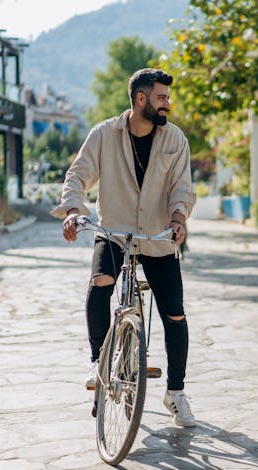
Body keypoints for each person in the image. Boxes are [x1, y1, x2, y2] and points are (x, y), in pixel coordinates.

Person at [51, 68, 197, 427]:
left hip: (158, 236)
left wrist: (178, 219)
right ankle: (97, 361)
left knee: (174, 313)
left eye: (167, 98)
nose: (167, 104)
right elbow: (78, 174)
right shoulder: (104, 134)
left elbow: (182, 186)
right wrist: (73, 212)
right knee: (101, 282)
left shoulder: (174, 139)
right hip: (114, 232)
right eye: (161, 97)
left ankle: (176, 392)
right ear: (141, 99)